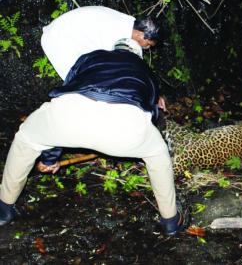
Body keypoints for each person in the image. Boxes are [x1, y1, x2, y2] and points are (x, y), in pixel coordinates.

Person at [0, 38, 186, 235]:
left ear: (114, 50)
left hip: (70, 115)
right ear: (137, 54)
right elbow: (152, 114)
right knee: (157, 153)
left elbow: (67, 91)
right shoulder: (145, 71)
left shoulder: (91, 57)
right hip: (125, 127)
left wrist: (50, 157)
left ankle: (4, 207)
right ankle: (170, 221)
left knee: (26, 137)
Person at [41, 6, 159, 80]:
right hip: (59, 40)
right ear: (140, 35)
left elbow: (135, 63)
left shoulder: (130, 24)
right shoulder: (115, 33)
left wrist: (153, 91)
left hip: (74, 37)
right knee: (78, 86)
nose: (147, 48)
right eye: (148, 44)